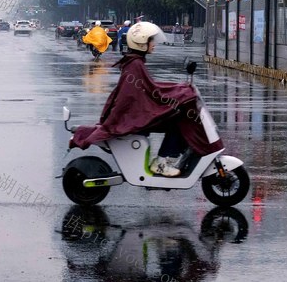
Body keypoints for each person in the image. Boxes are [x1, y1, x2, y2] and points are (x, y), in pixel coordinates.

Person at [71, 21, 224, 177]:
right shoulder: (135, 64)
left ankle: (166, 159)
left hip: (135, 115)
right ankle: (162, 162)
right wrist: (180, 94)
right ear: (141, 43)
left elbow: (150, 88)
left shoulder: (134, 62)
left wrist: (180, 89)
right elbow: (151, 92)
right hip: (134, 118)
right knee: (179, 122)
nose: (154, 44)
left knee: (177, 118)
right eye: (151, 41)